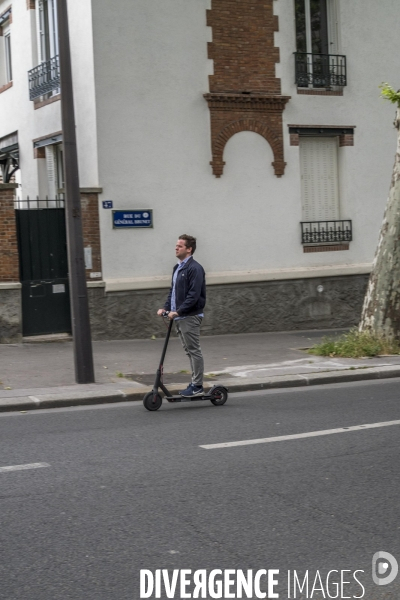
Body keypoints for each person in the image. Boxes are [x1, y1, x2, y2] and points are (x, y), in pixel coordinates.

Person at [157, 235, 206, 397]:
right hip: (179, 316)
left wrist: (179, 311)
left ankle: (197, 386)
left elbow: (193, 295)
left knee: (194, 350)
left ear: (189, 249)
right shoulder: (177, 268)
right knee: (189, 350)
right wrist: (165, 308)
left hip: (190, 316)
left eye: (180, 245)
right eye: (176, 245)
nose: (176, 248)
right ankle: (195, 382)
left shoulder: (195, 268)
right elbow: (173, 292)